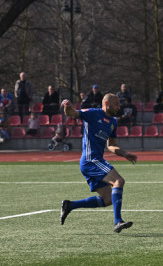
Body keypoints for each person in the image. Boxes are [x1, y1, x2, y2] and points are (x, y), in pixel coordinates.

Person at [59, 93, 138, 233]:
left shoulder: (113, 122)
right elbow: (73, 113)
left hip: (95, 161)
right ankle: (118, 222)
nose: (119, 107)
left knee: (107, 200)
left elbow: (111, 145)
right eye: (116, 104)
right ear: (107, 104)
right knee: (119, 181)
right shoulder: (92, 113)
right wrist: (67, 106)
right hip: (90, 160)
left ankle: (69, 205)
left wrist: (125, 154)